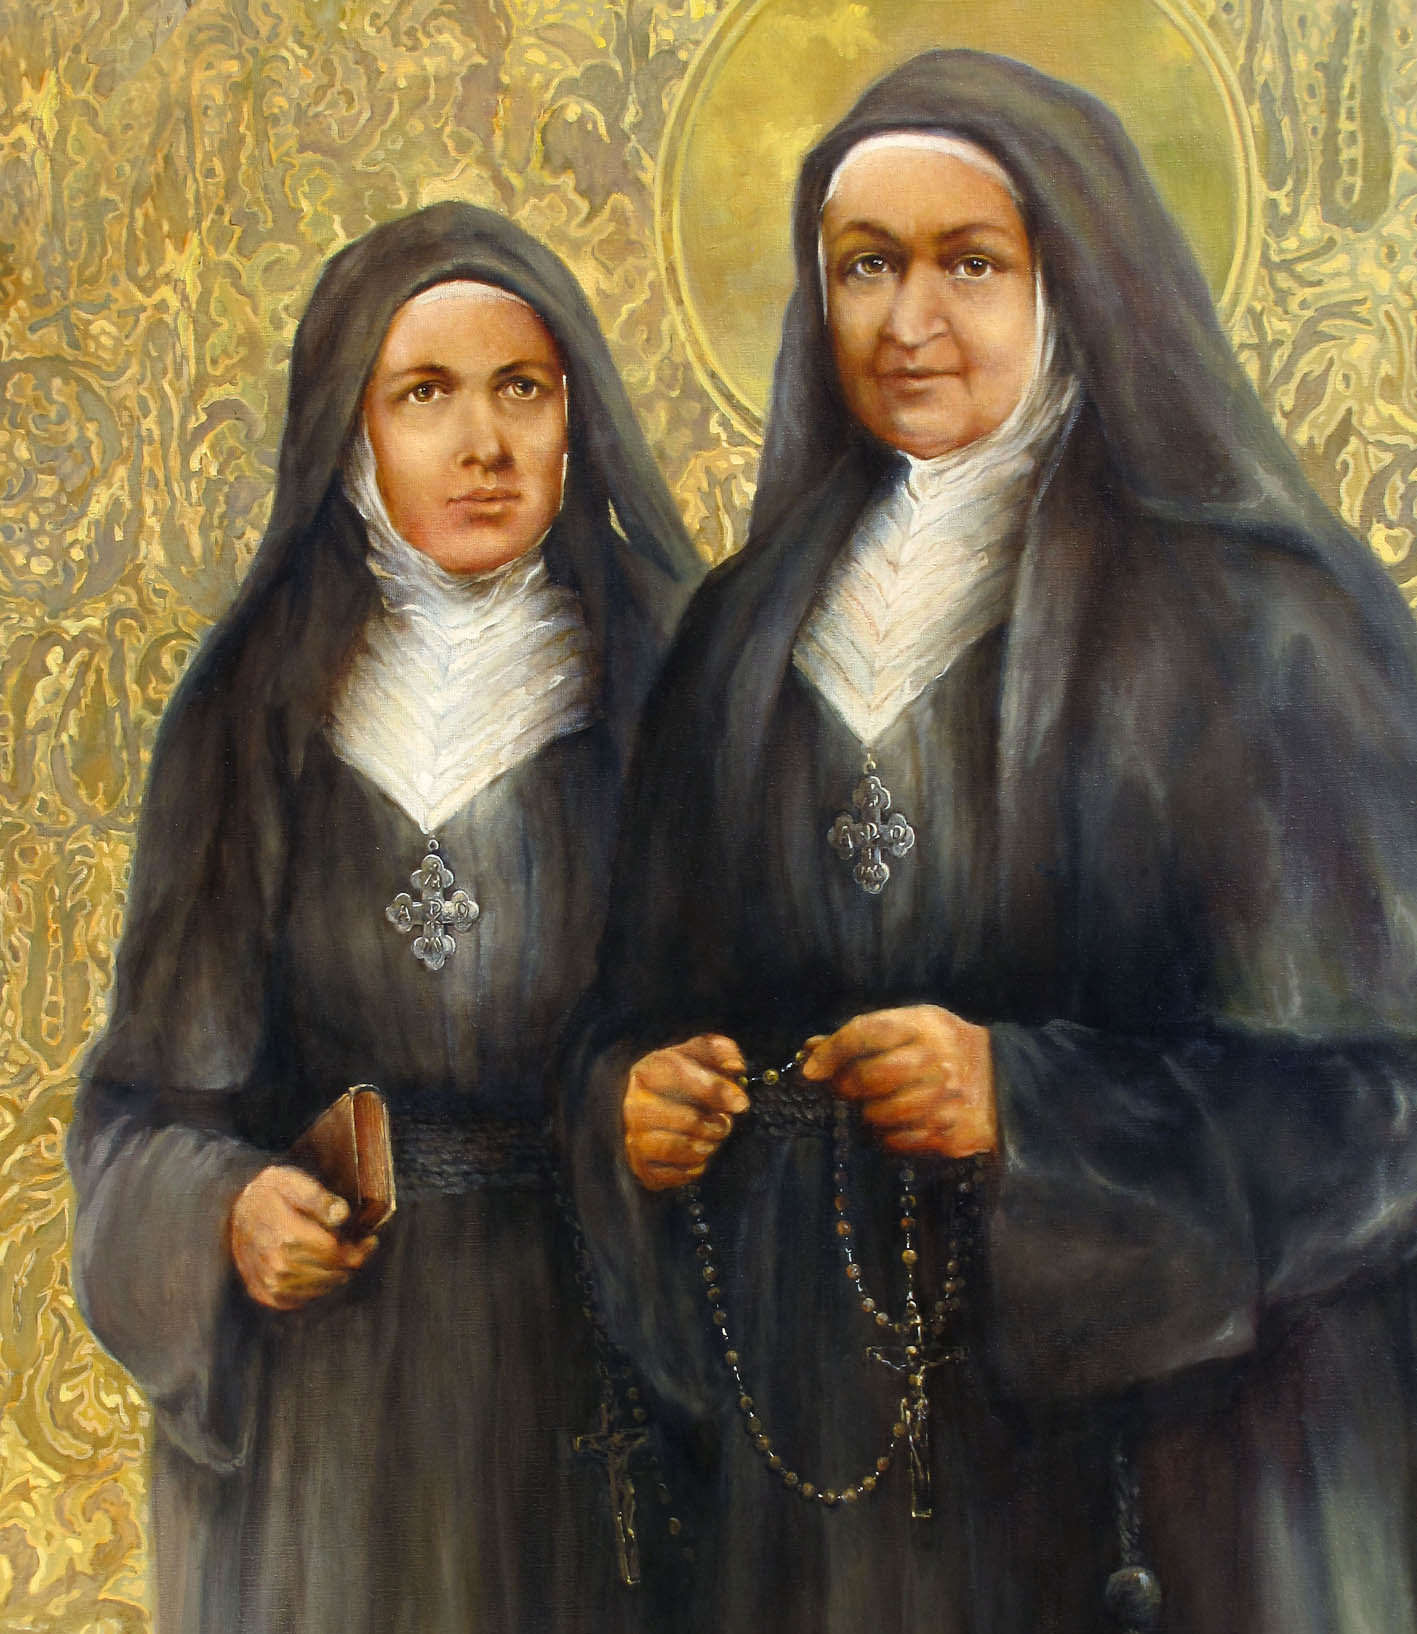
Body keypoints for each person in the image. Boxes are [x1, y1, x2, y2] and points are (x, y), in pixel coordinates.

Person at [563, 50, 1417, 1634]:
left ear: (1073, 277)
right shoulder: (737, 638)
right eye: (864, 265)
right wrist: (639, 1108)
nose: (908, 319)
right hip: (821, 1481)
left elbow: (1381, 1111)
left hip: (1149, 1490)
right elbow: (636, 1016)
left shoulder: (1259, 622)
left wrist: (1027, 1107)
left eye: (969, 263)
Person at [67, 201, 702, 1634]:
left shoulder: (676, 685)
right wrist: (226, 1212)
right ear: (349, 432)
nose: (483, 443)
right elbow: (138, 1112)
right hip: (322, 1425)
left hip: (597, 1387)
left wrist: (664, 1106)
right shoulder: (248, 712)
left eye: (521, 388)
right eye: (425, 394)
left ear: (577, 418)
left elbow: (772, 1041)